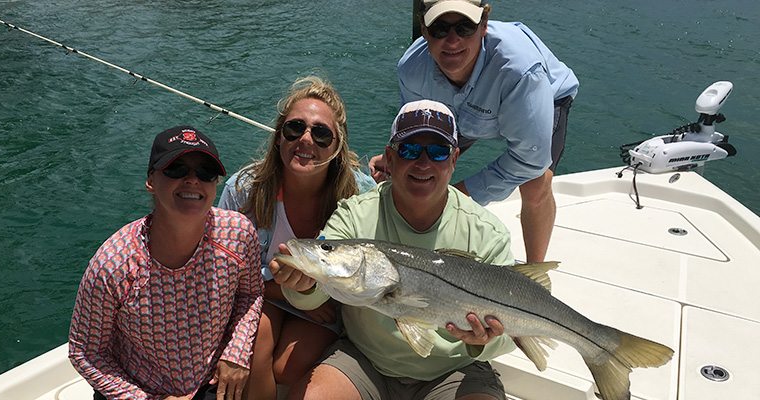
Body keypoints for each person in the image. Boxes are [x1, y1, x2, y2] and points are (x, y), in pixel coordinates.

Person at [273, 100, 515, 400]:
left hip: (455, 371)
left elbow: (511, 339)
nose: (423, 163)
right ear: (390, 156)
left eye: (437, 152)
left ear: (453, 160)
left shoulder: (487, 234)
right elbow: (315, 294)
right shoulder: (354, 215)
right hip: (364, 361)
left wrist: (483, 340)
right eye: (410, 150)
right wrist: (303, 287)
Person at [369, 0, 579, 263]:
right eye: (440, 29)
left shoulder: (521, 71)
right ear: (424, 31)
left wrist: (457, 198)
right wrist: (398, 159)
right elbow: (416, 131)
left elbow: (530, 160)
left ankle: (534, 276)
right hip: (467, 113)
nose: (453, 41)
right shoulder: (411, 68)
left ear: (484, 26)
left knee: (536, 182)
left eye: (465, 27)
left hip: (541, 97)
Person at [69, 126, 264, 400]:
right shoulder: (113, 264)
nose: (193, 180)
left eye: (205, 172)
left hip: (209, 380)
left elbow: (250, 294)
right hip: (137, 390)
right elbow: (85, 351)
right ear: (151, 180)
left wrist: (237, 352)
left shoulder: (239, 234)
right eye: (176, 169)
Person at [218, 76, 376, 399]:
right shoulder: (243, 190)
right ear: (279, 138)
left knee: (287, 369)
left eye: (321, 134)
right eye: (295, 128)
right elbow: (222, 276)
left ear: (337, 147)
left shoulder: (361, 195)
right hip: (263, 296)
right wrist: (283, 292)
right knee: (257, 337)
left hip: (327, 305)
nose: (306, 139)